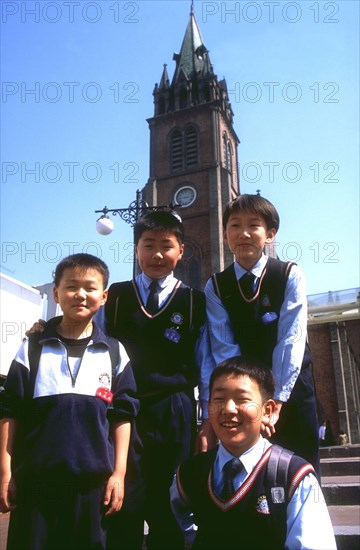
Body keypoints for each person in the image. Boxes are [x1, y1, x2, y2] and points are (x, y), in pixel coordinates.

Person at [0, 253, 139, 550]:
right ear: (56, 293)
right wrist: (5, 471)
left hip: (93, 489)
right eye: (71, 286)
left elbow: (123, 416)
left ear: (103, 297)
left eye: (90, 288)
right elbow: (10, 410)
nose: (80, 294)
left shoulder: (114, 352)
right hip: (36, 484)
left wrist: (119, 473)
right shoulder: (33, 348)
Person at [102, 211, 211, 550]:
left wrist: (207, 419)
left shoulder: (195, 301)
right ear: (136, 251)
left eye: (167, 246)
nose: (157, 254)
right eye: (148, 245)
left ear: (182, 251)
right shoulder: (115, 296)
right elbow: (97, 348)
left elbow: (205, 363)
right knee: (123, 499)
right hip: (124, 412)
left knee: (170, 501)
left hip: (173, 408)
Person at [203, 194, 320, 472]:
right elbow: (225, 349)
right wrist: (249, 400)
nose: (243, 233)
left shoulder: (289, 274)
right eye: (234, 225)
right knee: (252, 476)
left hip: (291, 392)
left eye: (253, 225)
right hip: (246, 400)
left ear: (269, 234)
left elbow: (291, 339)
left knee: (301, 471)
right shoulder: (216, 287)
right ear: (224, 234)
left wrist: (276, 400)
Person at [170, 356, 337, 549]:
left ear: (268, 411)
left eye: (242, 399)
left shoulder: (293, 476)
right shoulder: (190, 473)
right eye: (219, 399)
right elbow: (180, 516)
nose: (228, 409)